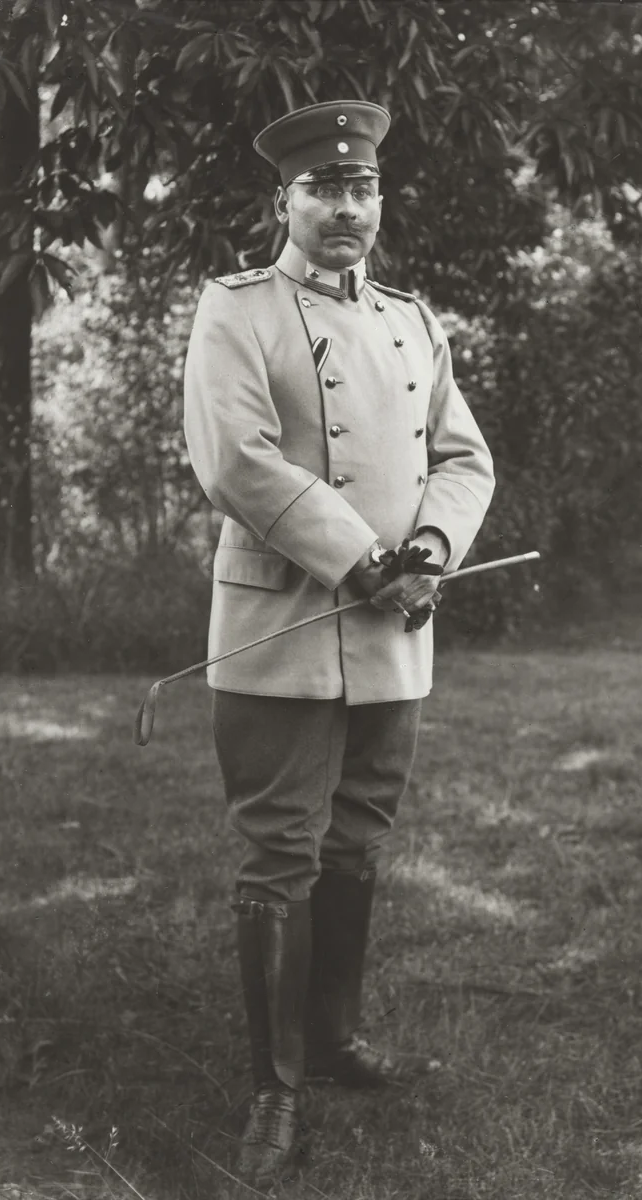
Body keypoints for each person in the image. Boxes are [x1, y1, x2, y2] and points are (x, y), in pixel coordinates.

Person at [183, 99, 495, 1185]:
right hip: (285, 621)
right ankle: (273, 1087)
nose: (346, 208)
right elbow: (236, 461)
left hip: (394, 632)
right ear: (286, 200)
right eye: (325, 189)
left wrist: (429, 549)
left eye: (363, 189)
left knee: (356, 843)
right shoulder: (236, 310)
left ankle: (331, 1042)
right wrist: (362, 560)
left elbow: (464, 459)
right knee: (280, 851)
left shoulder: (412, 321)